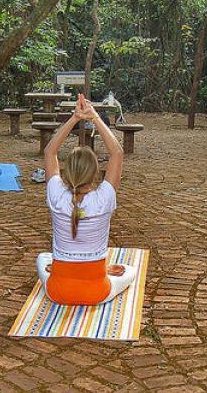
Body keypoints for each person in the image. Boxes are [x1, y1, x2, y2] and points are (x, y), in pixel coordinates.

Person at [36, 94, 137, 305]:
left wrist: (74, 118)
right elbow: (117, 153)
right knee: (130, 270)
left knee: (42, 258)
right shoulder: (104, 198)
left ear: (66, 172)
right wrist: (95, 117)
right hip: (96, 292)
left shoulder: (56, 193)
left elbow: (49, 151)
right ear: (95, 174)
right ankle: (101, 270)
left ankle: (70, 270)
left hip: (58, 292)